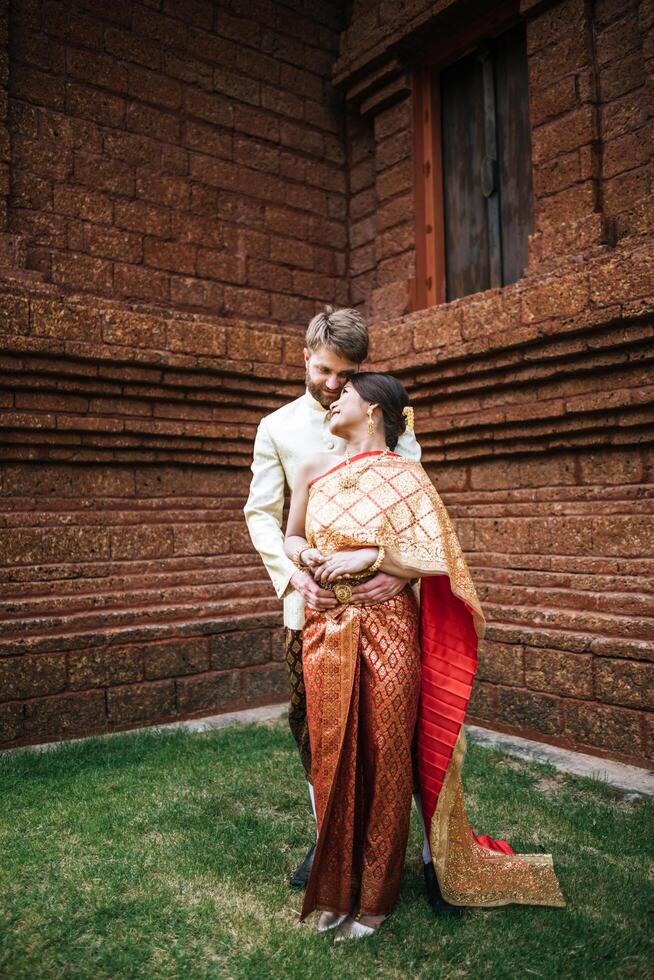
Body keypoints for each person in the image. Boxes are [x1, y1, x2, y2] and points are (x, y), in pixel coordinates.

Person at [283, 372, 566, 940]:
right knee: (333, 757)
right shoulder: (316, 472)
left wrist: (379, 558)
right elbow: (289, 536)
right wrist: (304, 565)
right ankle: (337, 892)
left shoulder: (409, 477)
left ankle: (377, 903)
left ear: (375, 411)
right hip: (324, 630)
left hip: (389, 633)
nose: (334, 398)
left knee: (387, 757)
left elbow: (443, 559)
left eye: (347, 394)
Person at [243, 308, 421, 890]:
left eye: (346, 374)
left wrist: (400, 570)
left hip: (387, 604)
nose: (333, 384)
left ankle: (420, 851)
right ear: (305, 356)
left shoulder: (389, 415)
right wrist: (294, 576)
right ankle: (331, 839)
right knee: (313, 728)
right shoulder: (277, 429)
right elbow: (262, 515)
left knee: (400, 730)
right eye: (324, 370)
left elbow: (417, 504)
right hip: (312, 608)